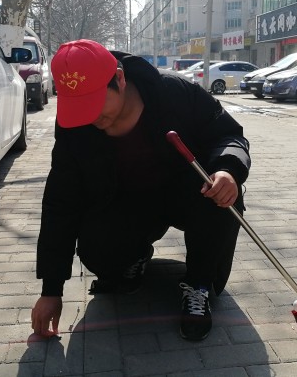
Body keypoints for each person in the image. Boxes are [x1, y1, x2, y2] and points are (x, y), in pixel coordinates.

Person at [31, 39, 250, 342]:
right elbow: (61, 199)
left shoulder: (174, 93)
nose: (90, 118)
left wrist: (228, 169)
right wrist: (51, 289)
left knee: (223, 195)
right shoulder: (75, 125)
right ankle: (135, 257)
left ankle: (197, 284)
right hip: (125, 203)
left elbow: (228, 135)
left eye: (95, 103)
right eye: (79, 107)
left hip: (188, 195)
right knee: (96, 250)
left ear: (120, 78)